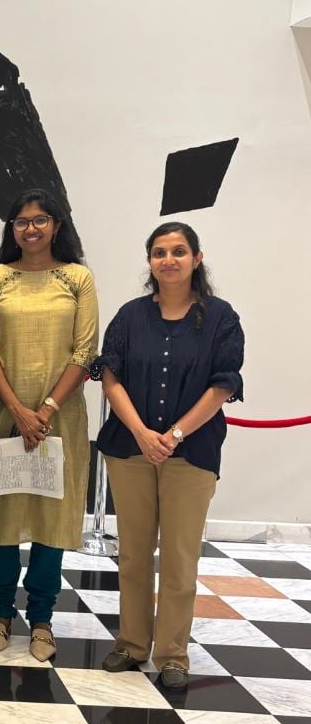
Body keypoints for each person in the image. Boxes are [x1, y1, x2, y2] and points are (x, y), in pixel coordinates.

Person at [93, 222, 244, 689]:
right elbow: (110, 376)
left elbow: (223, 385)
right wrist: (142, 433)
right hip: (129, 449)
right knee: (134, 555)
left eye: (179, 251)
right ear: (150, 261)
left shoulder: (221, 318)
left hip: (192, 453)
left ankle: (173, 655)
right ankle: (132, 644)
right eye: (159, 252)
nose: (169, 260)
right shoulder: (130, 315)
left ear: (197, 259)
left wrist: (173, 435)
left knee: (179, 559)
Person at [0, 188, 98, 661]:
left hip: (60, 420)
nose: (31, 228)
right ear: (12, 230)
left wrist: (44, 411)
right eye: (21, 221)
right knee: (2, 516)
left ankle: (43, 617)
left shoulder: (76, 278)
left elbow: (84, 352)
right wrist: (20, 412)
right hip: (5, 416)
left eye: (40, 220)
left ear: (56, 225)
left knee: (53, 516)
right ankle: (0, 612)